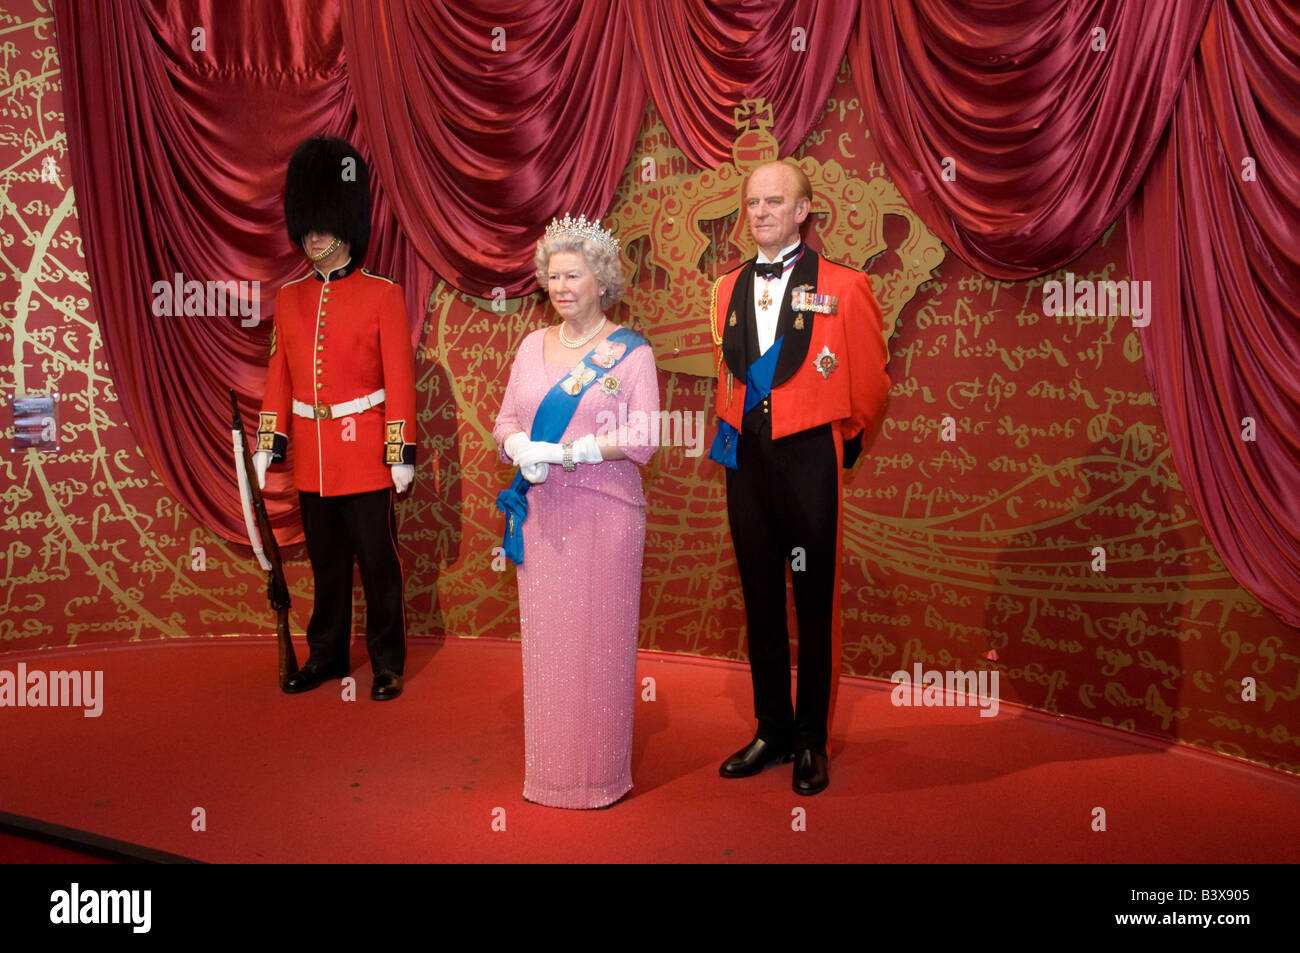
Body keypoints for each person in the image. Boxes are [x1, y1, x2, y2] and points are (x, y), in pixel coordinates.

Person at [709, 159, 890, 794]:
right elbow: (729, 376)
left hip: (811, 456)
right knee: (760, 598)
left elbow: (869, 381)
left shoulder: (845, 285)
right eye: (752, 202)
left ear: (804, 210)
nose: (760, 212)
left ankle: (812, 739)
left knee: (812, 605)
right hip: (748, 463)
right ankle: (771, 729)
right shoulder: (725, 287)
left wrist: (839, 445)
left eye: (774, 201)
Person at [493, 214, 659, 809]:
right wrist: (518, 447)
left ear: (602, 280)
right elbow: (507, 418)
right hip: (542, 519)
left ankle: (599, 776)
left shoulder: (630, 353)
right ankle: (551, 774)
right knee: (549, 647)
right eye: (553, 276)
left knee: (600, 645)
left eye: (574, 275)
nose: (561, 287)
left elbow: (643, 437)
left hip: (608, 514)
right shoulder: (532, 347)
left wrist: (568, 451)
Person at [253, 136, 417, 702]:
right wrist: (267, 442)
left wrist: (400, 453)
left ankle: (387, 662)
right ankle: (324, 656)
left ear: (345, 221)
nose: (312, 235)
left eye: (322, 222)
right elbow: (280, 376)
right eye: (308, 223)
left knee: (377, 566)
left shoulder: (382, 295)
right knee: (325, 567)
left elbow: (398, 381)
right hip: (313, 459)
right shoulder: (290, 297)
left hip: (366, 456)